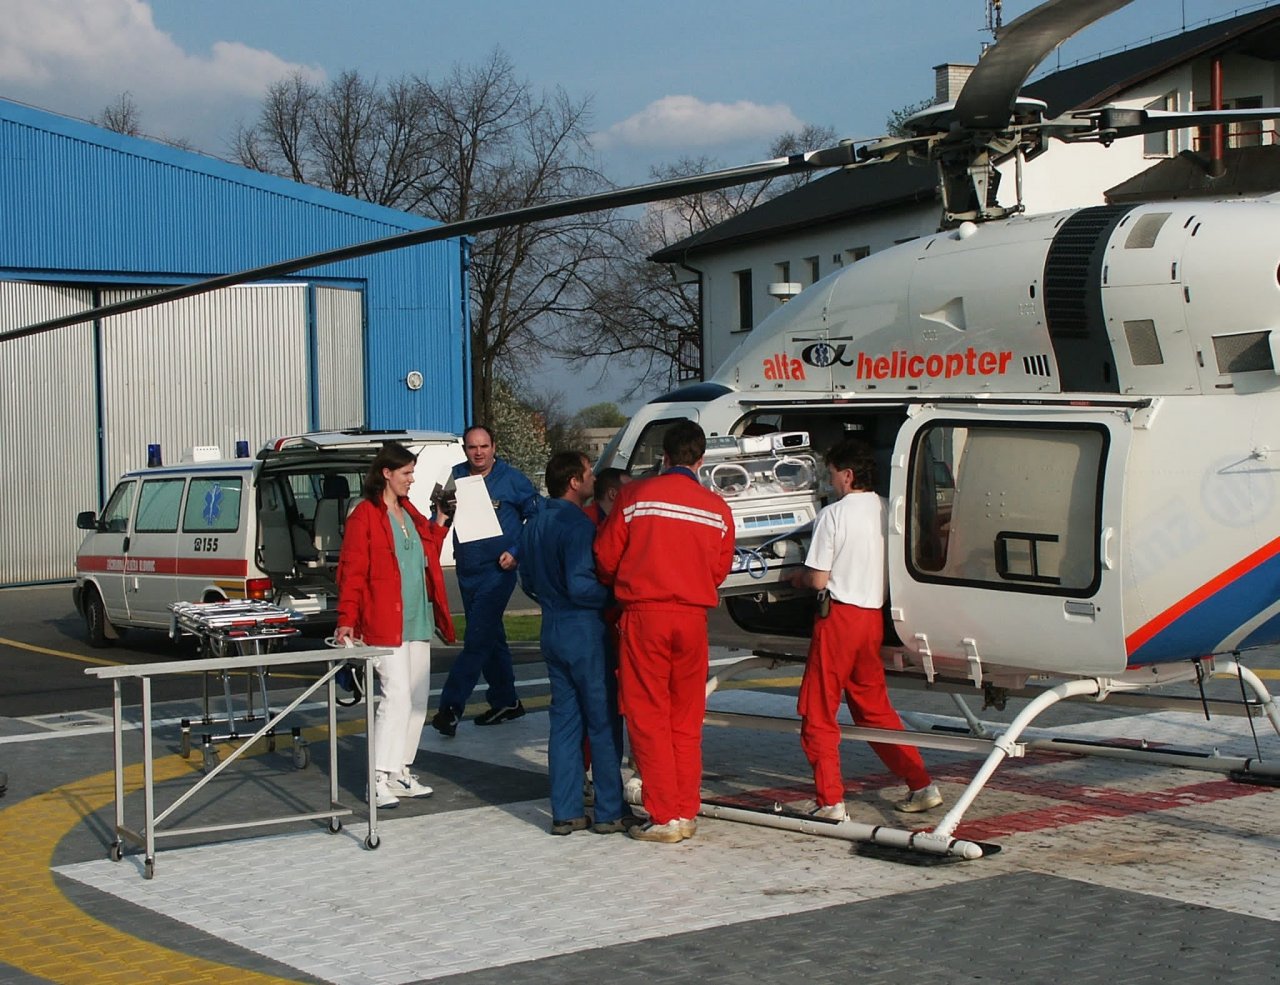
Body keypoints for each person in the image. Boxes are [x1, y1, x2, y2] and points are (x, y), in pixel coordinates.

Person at [786, 437, 942, 820]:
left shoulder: (833, 515)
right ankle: (921, 783)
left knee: (818, 711)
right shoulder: (887, 509)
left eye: (831, 474)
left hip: (838, 620)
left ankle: (830, 801)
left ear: (847, 475)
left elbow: (819, 579)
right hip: (873, 619)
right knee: (875, 710)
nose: (829, 481)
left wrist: (795, 578)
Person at [594, 419, 735, 844]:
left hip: (645, 615)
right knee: (686, 717)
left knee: (648, 714)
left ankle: (664, 814)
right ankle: (686, 809)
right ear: (701, 460)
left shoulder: (636, 496)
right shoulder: (717, 508)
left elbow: (606, 557)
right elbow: (720, 569)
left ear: (664, 456)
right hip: (693, 620)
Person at [336, 441, 456, 809]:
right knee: (397, 696)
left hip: (416, 618)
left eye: (412, 472)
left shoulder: (409, 512)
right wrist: (346, 620)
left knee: (417, 699)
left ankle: (400, 769)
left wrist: (441, 519)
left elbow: (427, 551)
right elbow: (352, 573)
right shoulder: (364, 516)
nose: (411, 479)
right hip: (383, 622)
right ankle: (378, 776)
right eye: (406, 473)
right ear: (386, 473)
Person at [520, 451, 630, 835]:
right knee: (602, 722)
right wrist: (619, 595)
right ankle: (610, 810)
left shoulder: (534, 523)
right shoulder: (580, 526)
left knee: (565, 722)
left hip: (551, 626)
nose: (593, 479)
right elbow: (582, 586)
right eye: (588, 473)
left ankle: (566, 811)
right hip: (583, 629)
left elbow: (527, 581)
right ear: (573, 482)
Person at [432, 425, 538, 736]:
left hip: (498, 571)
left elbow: (536, 517)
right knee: (491, 636)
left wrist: (516, 551)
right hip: (467, 569)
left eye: (484, 446)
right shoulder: (454, 476)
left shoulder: (512, 479)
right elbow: (437, 515)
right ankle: (506, 701)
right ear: (464, 449)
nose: (478, 453)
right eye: (472, 447)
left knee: (477, 638)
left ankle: (450, 708)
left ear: (494, 447)